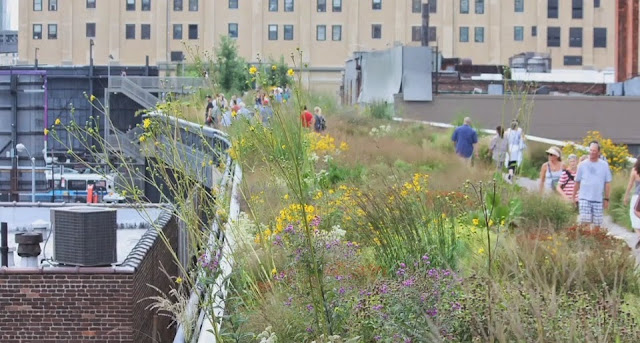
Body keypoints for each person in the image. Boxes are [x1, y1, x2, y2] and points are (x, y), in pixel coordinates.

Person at [573, 141, 612, 229]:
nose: (591, 152)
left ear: (598, 152)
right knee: (585, 222)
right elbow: (577, 181)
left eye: (594, 151)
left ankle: (594, 241)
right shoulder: (582, 165)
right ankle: (586, 241)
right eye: (590, 150)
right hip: (584, 198)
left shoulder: (604, 165)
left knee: (597, 225)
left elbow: (607, 183)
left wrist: (607, 198)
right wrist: (573, 196)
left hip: (598, 199)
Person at [623, 157, 640, 248]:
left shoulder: (635, 170)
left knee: (633, 216)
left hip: (637, 196)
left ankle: (639, 235)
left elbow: (630, 184)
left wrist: (626, 196)